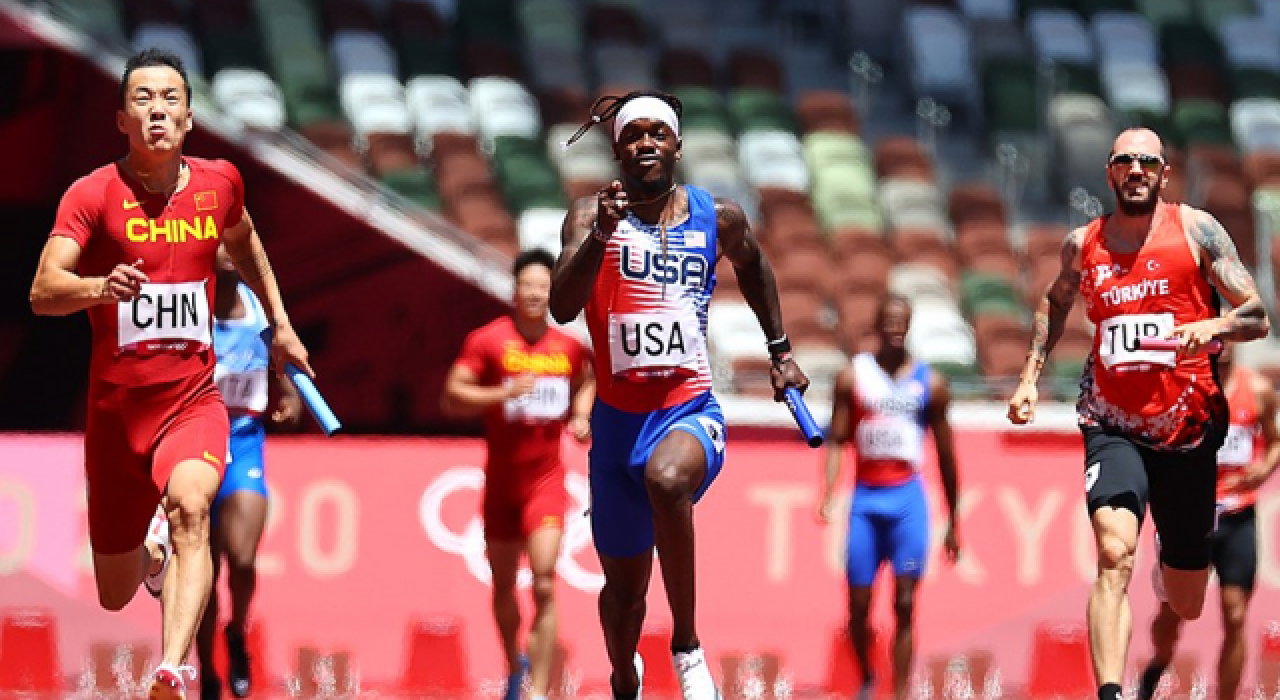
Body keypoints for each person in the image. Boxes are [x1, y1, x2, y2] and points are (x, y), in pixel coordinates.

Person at [28, 48, 311, 700]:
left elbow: (244, 240)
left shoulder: (220, 184)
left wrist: (280, 322)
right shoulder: (92, 194)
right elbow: (43, 290)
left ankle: (172, 669)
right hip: (116, 417)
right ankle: (151, 560)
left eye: (170, 99)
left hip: (191, 402)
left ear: (188, 117)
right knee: (114, 590)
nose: (157, 110)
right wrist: (99, 287)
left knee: (191, 509)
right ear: (121, 120)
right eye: (143, 99)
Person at [550, 90, 811, 700]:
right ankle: (624, 676)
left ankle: (687, 646)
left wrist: (781, 352)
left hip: (688, 408)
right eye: (633, 135)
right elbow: (562, 305)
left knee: (668, 480)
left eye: (657, 133)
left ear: (677, 145)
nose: (646, 143)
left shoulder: (718, 217)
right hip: (617, 426)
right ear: (618, 150)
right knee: (623, 597)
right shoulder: (589, 216)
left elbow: (754, 267)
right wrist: (601, 237)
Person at [1006, 127, 1270, 700]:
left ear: (1163, 174)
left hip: (1188, 430)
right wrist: (1029, 377)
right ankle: (1110, 692)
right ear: (1109, 173)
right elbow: (1054, 302)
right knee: (1112, 552)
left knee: (1188, 601)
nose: (1135, 171)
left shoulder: (1197, 231)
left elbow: (1257, 316)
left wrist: (1213, 325)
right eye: (1124, 161)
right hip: (1112, 423)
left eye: (1147, 162)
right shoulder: (1084, 245)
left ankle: (1169, 561)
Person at [441, 248, 595, 700]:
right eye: (527, 285)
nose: (534, 294)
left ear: (553, 293)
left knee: (545, 580)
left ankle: (539, 691)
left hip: (545, 481)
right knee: (504, 585)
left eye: (543, 287)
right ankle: (514, 664)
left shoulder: (568, 347)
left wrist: (580, 415)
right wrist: (502, 394)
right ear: (514, 290)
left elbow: (588, 380)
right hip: (501, 483)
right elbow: (452, 394)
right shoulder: (488, 341)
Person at [818, 293, 961, 700]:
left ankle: (899, 692)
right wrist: (828, 490)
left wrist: (953, 520)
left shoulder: (930, 384)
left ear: (910, 326)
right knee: (858, 605)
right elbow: (838, 439)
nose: (896, 328)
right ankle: (867, 674)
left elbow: (946, 456)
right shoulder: (854, 377)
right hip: (866, 498)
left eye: (902, 321)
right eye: (889, 321)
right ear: (878, 326)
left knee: (904, 602)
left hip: (907, 499)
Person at [1136, 341, 1280, 700]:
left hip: (1236, 514)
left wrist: (1262, 470)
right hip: (1191, 516)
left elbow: (1275, 441)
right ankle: (1157, 664)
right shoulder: (1184, 389)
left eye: (1230, 338)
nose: (1224, 347)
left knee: (1235, 614)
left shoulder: (1257, 390)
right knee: (1172, 616)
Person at [194, 245, 302, 700]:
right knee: (201, 572)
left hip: (244, 445)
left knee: (242, 559)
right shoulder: (190, 310)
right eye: (218, 241)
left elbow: (286, 366)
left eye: (235, 244)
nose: (227, 251)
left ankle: (236, 632)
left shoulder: (262, 310)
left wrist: (290, 398)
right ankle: (207, 672)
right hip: (197, 447)